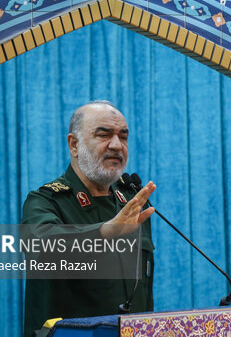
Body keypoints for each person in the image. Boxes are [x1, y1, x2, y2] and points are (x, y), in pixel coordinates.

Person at [21, 101, 156, 337]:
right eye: (104, 135)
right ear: (74, 145)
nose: (116, 145)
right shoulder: (47, 201)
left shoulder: (132, 201)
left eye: (123, 137)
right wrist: (106, 231)